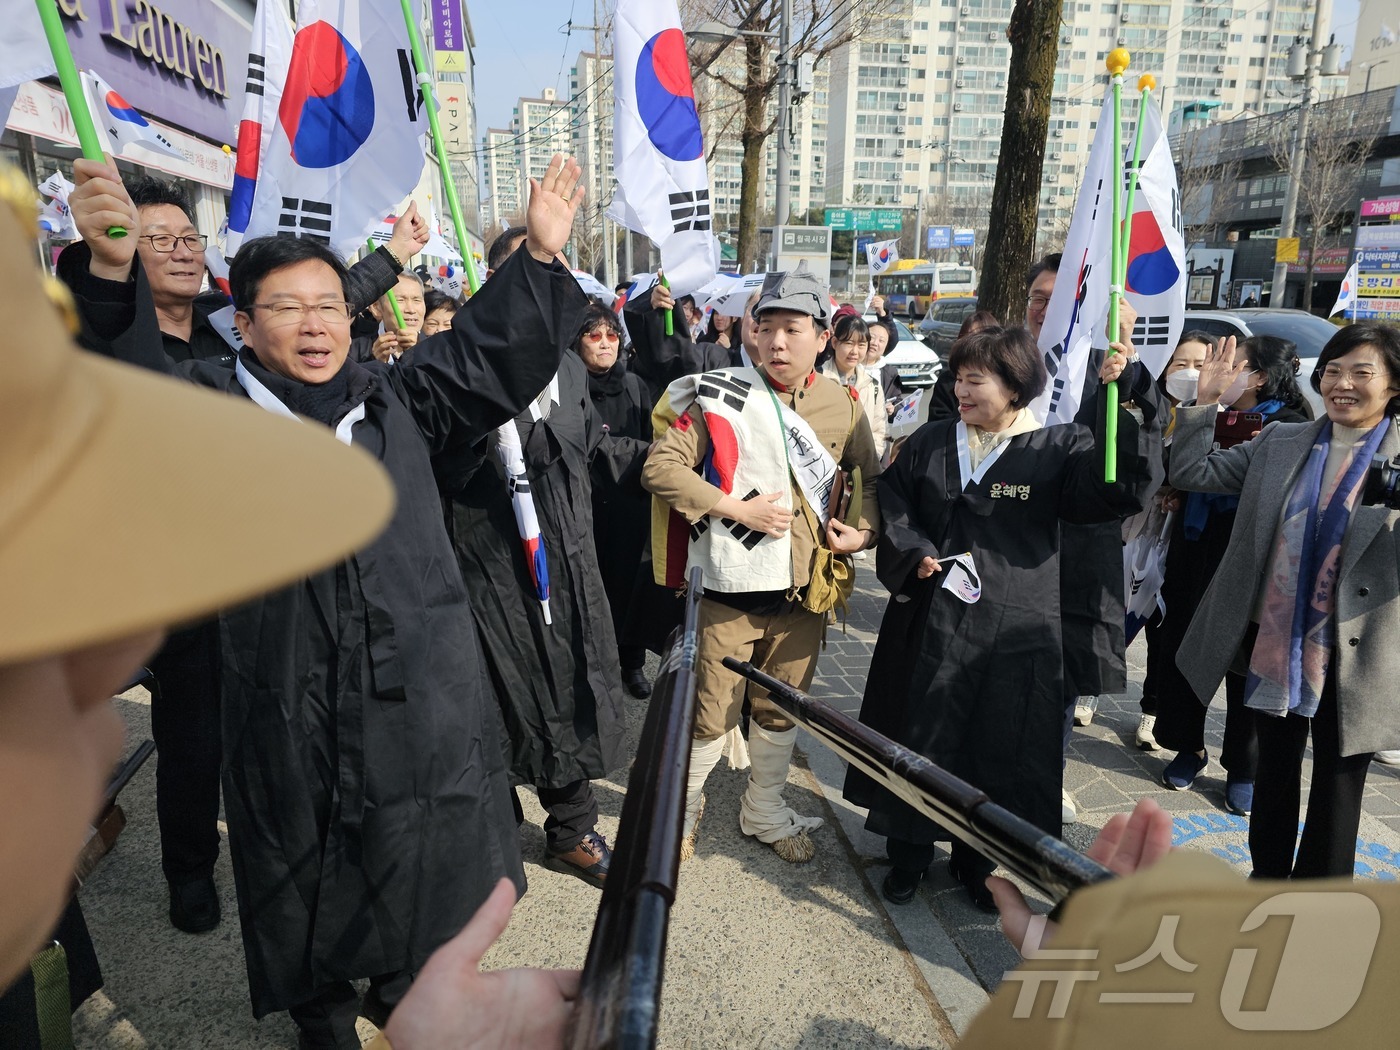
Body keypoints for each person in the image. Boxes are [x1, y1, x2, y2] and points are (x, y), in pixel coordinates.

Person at [0, 179, 582, 1050]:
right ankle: (321, 1014)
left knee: (417, 841)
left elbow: (487, 357)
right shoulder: (207, 408)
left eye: (329, 306)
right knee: (296, 856)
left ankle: (408, 981)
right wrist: (110, 274)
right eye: (287, 308)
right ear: (241, 322)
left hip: (411, 694)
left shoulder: (400, 400)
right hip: (281, 695)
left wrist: (537, 254)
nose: (316, 327)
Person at [53, 175, 424, 938]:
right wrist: (106, 271)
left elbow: (311, 305)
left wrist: (391, 257)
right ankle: (190, 872)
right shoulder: (112, 337)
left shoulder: (231, 322)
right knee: (194, 741)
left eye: (189, 237)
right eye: (158, 240)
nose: (182, 251)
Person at [846, 324, 1159, 910]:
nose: (961, 391)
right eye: (958, 379)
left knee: (998, 746)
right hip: (931, 619)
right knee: (921, 735)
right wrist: (914, 552)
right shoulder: (932, 440)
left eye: (976, 381)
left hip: (1014, 627)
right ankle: (909, 853)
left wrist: (1127, 391)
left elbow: (1112, 490)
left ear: (1015, 387)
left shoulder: (1058, 448)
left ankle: (978, 861)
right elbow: (897, 499)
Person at [643, 266, 882, 864]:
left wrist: (863, 532)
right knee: (709, 712)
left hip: (805, 591)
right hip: (730, 589)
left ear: (822, 338)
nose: (776, 342)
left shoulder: (843, 404)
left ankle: (764, 808)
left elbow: (869, 478)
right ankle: (680, 812)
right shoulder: (718, 394)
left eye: (792, 330)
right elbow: (660, 468)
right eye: (766, 327)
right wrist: (733, 507)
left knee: (783, 708)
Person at [441, 227, 647, 891]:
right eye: (529, 273)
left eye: (555, 273)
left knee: (569, 691)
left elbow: (597, 447)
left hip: (569, 563)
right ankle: (495, 828)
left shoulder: (568, 367)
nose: (546, 288)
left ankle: (571, 829)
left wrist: (675, 463)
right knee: (501, 699)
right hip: (491, 572)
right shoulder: (455, 368)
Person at [1170, 323, 1400, 879]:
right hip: (1274, 639)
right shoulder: (1281, 440)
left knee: (1339, 783)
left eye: (1361, 373)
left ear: (1393, 385)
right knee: (1274, 769)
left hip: (1360, 647)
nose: (1342, 384)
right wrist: (1202, 406)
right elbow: (1192, 471)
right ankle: (1267, 880)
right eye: (1333, 371)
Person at [1153, 336, 1313, 816]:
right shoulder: (1210, 412)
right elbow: (1187, 470)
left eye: (1233, 364)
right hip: (1197, 548)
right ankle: (1187, 746)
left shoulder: (1289, 429)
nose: (1219, 370)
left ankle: (1242, 767)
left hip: (1251, 558)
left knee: (1245, 662)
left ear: (1259, 376)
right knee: (1186, 648)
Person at [1129, 331, 1215, 754]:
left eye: (1199, 364)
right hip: (1136, 527)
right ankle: (1090, 689)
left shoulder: (1219, 418)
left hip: (1183, 539)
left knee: (1162, 629)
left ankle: (1152, 708)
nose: (1189, 372)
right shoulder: (1146, 409)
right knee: (1118, 609)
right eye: (1180, 363)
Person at [575, 304, 656, 700]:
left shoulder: (635, 385)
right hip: (586, 501)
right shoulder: (567, 384)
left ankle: (632, 663)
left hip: (630, 502)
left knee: (631, 585)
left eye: (611, 335)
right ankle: (595, 666)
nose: (605, 344)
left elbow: (650, 440)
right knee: (593, 586)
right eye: (595, 336)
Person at [820, 311, 888, 465]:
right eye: (849, 343)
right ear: (834, 343)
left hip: (861, 469)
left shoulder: (872, 386)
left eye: (861, 345)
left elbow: (879, 431)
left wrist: (867, 462)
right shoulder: (817, 378)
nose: (855, 351)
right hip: (824, 468)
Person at [351, 269, 427, 363]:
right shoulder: (353, 352)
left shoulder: (439, 349)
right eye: (400, 300)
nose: (411, 310)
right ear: (376, 307)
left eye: (417, 300)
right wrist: (373, 364)